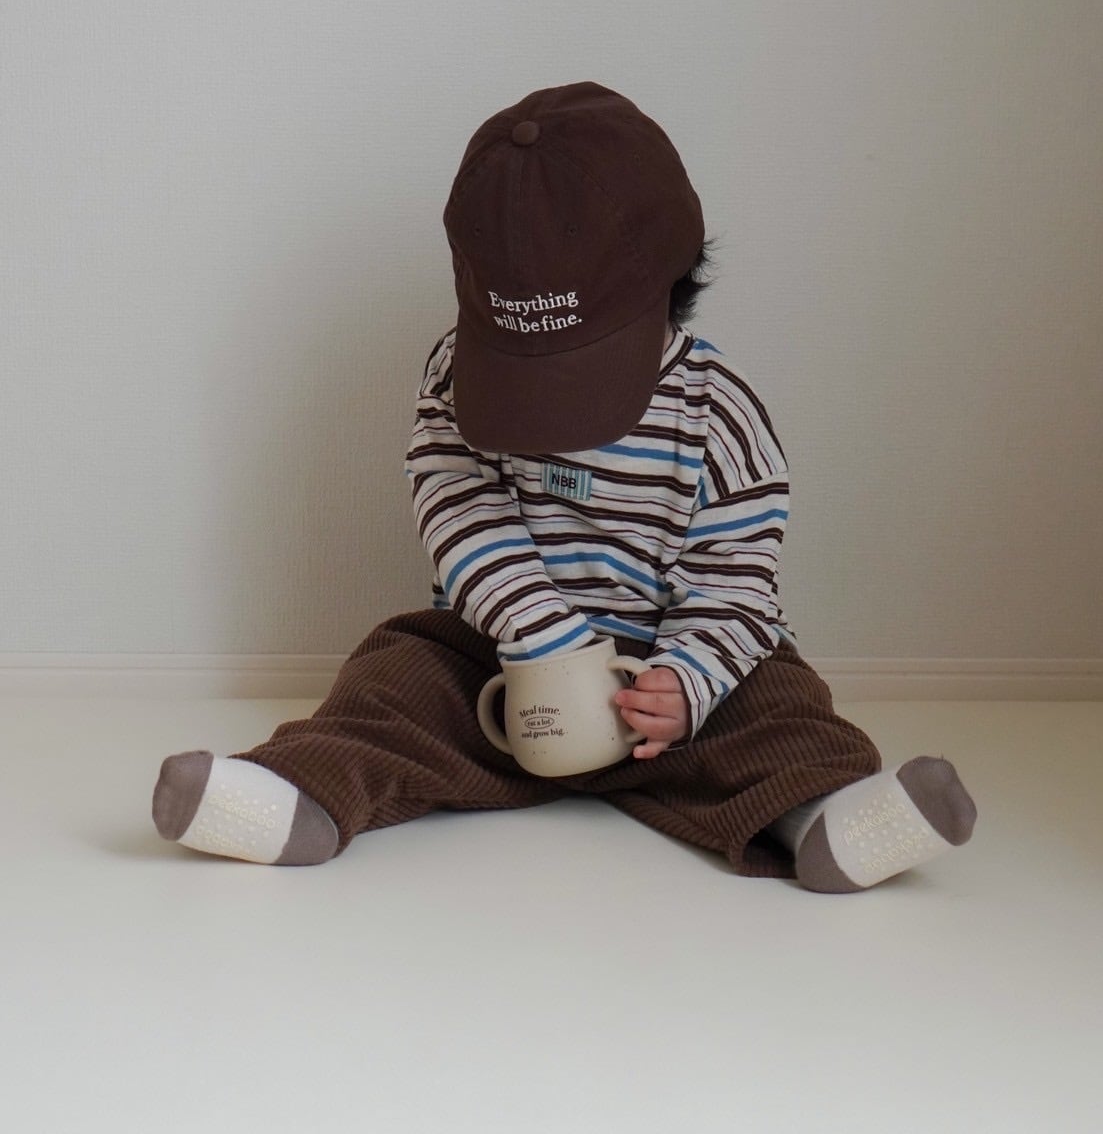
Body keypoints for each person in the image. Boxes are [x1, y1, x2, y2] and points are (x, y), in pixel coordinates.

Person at [152, 81, 977, 892]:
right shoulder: (452, 373)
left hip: (669, 666)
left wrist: (687, 683)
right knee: (393, 678)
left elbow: (735, 584)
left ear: (673, 275)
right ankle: (302, 793)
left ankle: (820, 815)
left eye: (580, 376)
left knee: (781, 706)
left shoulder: (720, 415)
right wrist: (537, 635)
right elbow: (458, 506)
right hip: (502, 652)